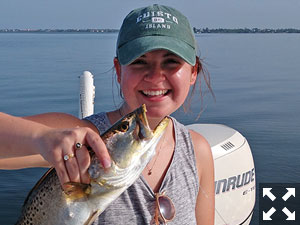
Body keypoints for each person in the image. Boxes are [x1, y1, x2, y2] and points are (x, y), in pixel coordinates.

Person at [0, 4, 215, 225]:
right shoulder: (82, 139)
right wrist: (40, 139)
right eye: (139, 61)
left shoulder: (197, 151)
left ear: (193, 72)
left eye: (171, 62)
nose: (155, 75)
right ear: (119, 71)